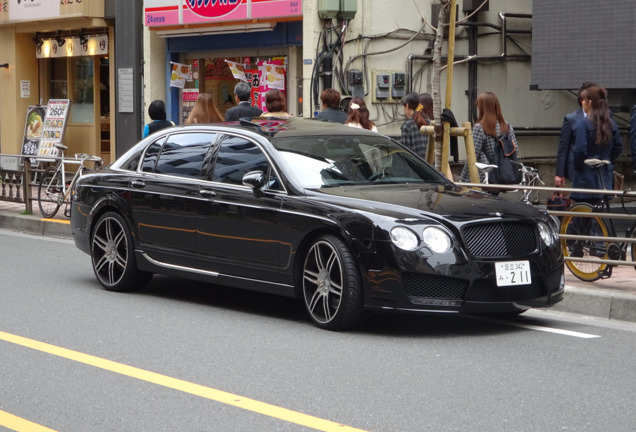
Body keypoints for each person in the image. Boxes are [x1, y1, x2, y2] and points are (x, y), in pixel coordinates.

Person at [570, 84, 622, 203]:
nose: (582, 103)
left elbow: (580, 149)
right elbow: (618, 147)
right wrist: (607, 159)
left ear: (589, 103)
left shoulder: (583, 123)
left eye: (584, 100)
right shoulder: (612, 124)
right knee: (601, 214)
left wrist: (577, 166)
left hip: (585, 175)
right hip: (605, 174)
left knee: (583, 215)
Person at [459, 91, 518, 184]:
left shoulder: (480, 127)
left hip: (486, 175)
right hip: (504, 173)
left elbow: (473, 155)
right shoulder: (507, 126)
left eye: (479, 106)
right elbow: (515, 150)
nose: (478, 108)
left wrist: (463, 180)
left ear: (482, 108)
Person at [555, 82, 596, 187]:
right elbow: (563, 147)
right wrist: (560, 174)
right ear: (581, 100)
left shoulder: (603, 117)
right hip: (577, 167)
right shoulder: (571, 119)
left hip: (597, 166)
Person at [400, 92, 430, 158]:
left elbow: (405, 153)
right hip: (430, 166)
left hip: (415, 166)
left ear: (407, 106)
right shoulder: (429, 123)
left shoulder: (407, 126)